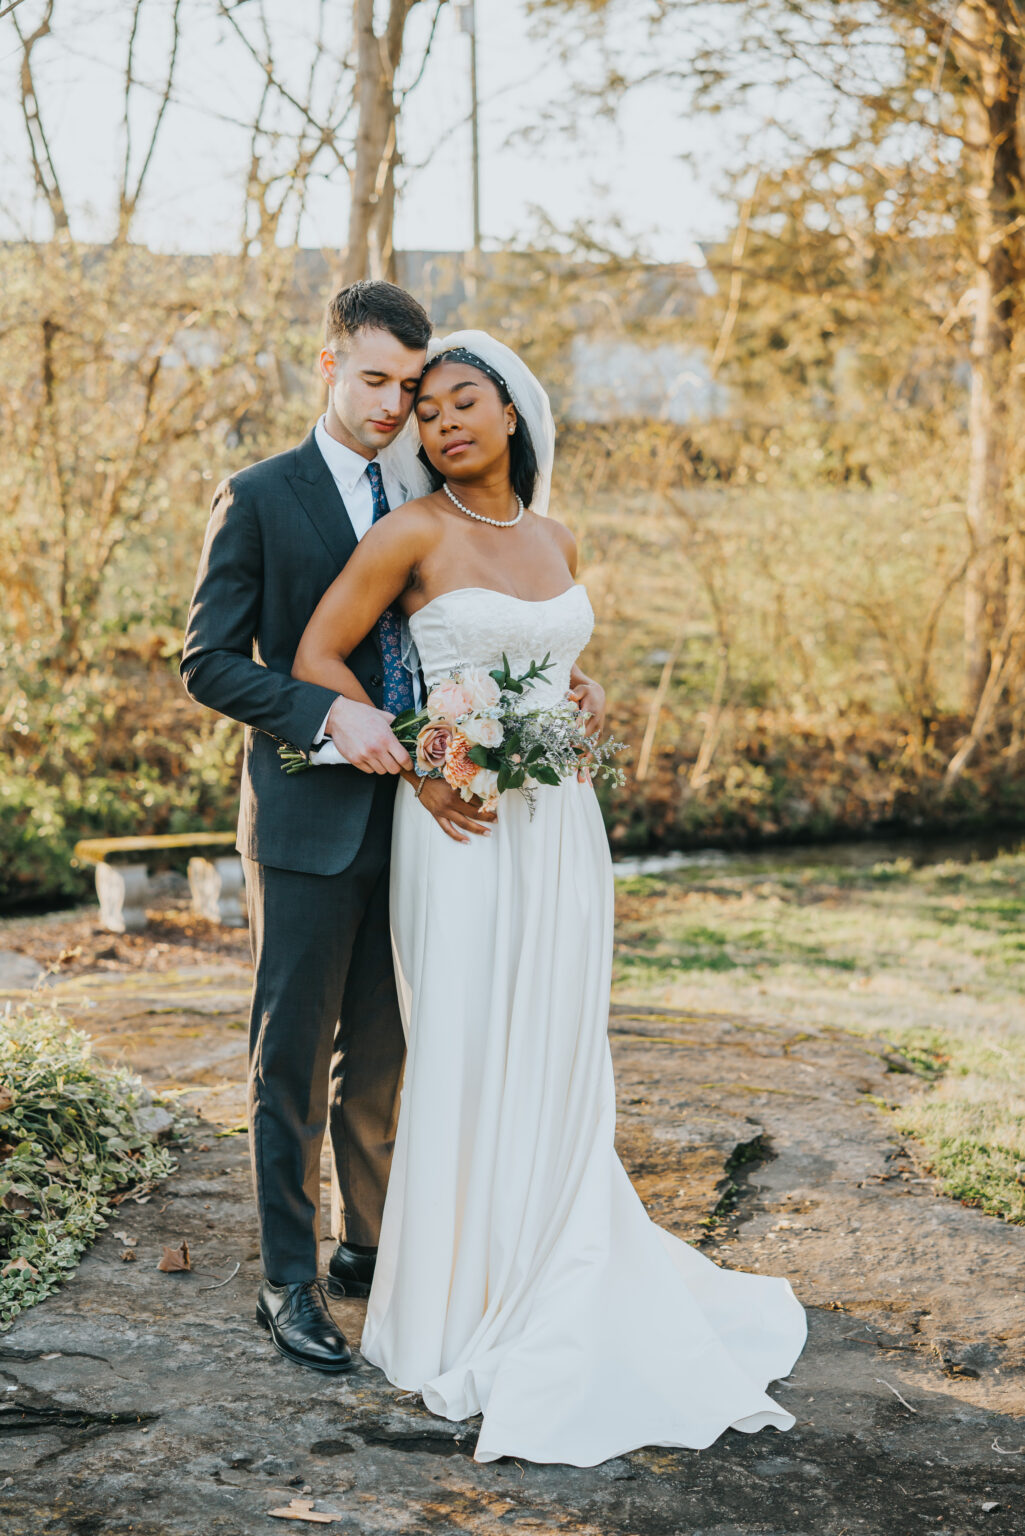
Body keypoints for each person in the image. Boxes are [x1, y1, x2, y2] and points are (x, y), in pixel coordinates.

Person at [290, 330, 808, 1465]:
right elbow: (316, 657)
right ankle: (464, 1292)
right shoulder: (409, 532)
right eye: (425, 414)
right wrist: (419, 761)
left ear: (513, 412)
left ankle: (559, 1244)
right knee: (470, 1040)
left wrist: (587, 696)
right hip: (461, 829)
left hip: (563, 823)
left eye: (462, 403)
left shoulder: (556, 535)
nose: (441, 425)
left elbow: (553, 653)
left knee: (559, 1039)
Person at [180, 284, 543, 1373]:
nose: (395, 405)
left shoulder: (425, 486)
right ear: (327, 361)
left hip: (420, 821)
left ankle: (368, 1244)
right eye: (376, 380)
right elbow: (205, 662)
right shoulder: (256, 495)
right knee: (288, 1055)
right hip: (303, 820)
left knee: (380, 1053)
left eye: (410, 386)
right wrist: (327, 713)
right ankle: (286, 1280)